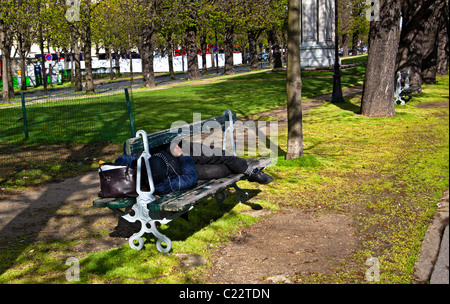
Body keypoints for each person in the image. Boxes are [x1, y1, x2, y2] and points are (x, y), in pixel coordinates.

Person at [115, 140, 273, 196]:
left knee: (218, 154)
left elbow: (124, 153)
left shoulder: (134, 161)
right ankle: (245, 169)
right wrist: (181, 156)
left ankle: (251, 172)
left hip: (177, 149)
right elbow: (189, 180)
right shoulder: (161, 186)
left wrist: (173, 147)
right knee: (224, 170)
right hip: (187, 166)